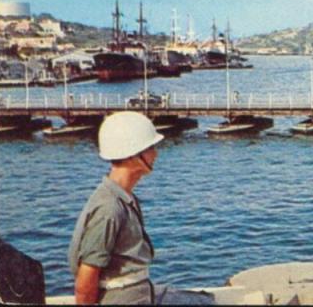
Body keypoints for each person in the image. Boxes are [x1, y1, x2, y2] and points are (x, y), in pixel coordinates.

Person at [68, 112, 212, 305]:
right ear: (132, 154)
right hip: (126, 299)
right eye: (150, 148)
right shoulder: (109, 209)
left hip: (140, 293)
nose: (156, 154)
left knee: (205, 301)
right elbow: (85, 281)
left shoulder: (123, 198)